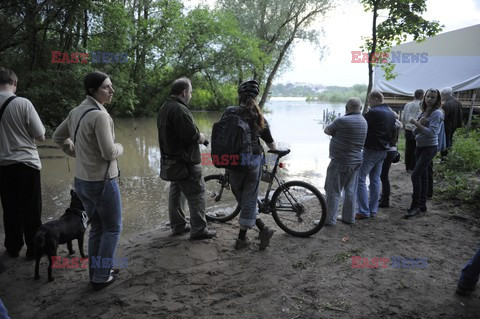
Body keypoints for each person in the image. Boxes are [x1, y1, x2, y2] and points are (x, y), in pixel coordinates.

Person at [53, 71, 123, 290]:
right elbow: (109, 152)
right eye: (106, 87)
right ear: (93, 90)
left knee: (97, 228)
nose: (111, 90)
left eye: (111, 86)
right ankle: (101, 276)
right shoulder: (100, 115)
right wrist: (121, 147)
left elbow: (57, 137)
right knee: (112, 228)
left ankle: (97, 272)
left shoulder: (77, 111)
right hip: (102, 183)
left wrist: (76, 152)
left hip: (82, 182)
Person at [157, 77, 216, 240]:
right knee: (197, 193)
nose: (191, 95)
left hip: (172, 161)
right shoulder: (179, 109)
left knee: (176, 193)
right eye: (190, 92)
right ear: (184, 92)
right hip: (185, 162)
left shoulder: (165, 106)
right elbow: (191, 135)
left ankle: (178, 225)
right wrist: (203, 138)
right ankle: (199, 230)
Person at [0, 67, 45, 259]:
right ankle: (34, 250)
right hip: (26, 164)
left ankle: (12, 247)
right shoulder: (23, 103)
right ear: (14, 83)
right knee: (31, 210)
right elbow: (41, 136)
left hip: (2, 166)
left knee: (9, 209)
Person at [226, 80, 277, 249]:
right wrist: (273, 157)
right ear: (256, 97)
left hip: (233, 161)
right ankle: (262, 229)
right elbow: (271, 144)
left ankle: (243, 239)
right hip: (253, 160)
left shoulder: (229, 112)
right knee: (248, 197)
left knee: (243, 197)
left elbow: (221, 135)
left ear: (239, 96)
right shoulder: (259, 116)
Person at [323, 97, 367, 225]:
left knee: (333, 190)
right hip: (357, 160)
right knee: (350, 190)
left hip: (340, 161)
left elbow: (326, 130)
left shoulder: (342, 120)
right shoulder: (363, 121)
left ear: (346, 108)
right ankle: (348, 218)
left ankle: (329, 219)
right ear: (359, 108)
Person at [355, 91, 396, 220]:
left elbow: (360, 123)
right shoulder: (391, 112)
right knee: (375, 179)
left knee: (360, 178)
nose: (368, 103)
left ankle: (363, 211)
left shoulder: (374, 112)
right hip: (384, 150)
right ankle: (373, 210)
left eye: (369, 100)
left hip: (372, 149)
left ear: (376, 99)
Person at [405, 88, 443, 218]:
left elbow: (432, 133)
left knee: (415, 175)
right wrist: (419, 124)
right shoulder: (424, 112)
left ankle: (415, 206)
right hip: (419, 146)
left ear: (437, 99)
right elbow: (415, 133)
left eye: (433, 97)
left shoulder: (437, 113)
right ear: (424, 97)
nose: (430, 99)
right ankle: (422, 205)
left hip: (429, 148)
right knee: (423, 176)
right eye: (428, 96)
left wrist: (416, 123)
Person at [379, 119, 402, 208]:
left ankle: (385, 200)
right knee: (384, 176)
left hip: (388, 151)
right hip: (393, 150)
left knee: (383, 176)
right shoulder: (396, 124)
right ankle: (384, 197)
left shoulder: (389, 125)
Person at [401, 89, 424, 172]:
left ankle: (407, 167)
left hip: (407, 129)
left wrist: (404, 126)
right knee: (415, 149)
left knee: (408, 148)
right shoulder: (421, 105)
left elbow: (403, 117)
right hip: (416, 129)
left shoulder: (407, 104)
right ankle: (412, 167)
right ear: (422, 95)